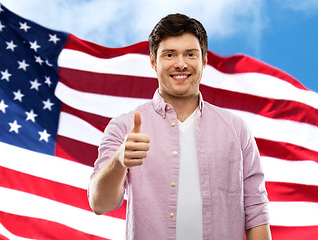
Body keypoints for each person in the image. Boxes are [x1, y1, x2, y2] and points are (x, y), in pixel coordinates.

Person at [88, 13, 271, 240]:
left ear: (203, 61)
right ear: (154, 63)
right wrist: (118, 160)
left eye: (190, 54)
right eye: (169, 54)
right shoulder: (123, 127)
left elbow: (256, 212)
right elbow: (99, 203)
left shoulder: (237, 130)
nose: (181, 63)